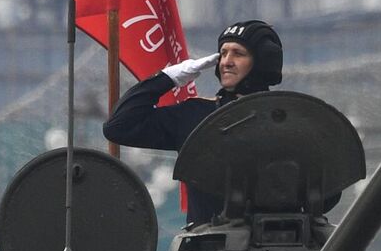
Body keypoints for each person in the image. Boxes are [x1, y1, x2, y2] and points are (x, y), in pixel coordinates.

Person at [101, 20, 285, 223]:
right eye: (223, 53)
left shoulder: (286, 118)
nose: (226, 62)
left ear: (262, 62)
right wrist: (167, 77)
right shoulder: (197, 115)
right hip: (206, 244)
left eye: (238, 54)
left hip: (278, 242)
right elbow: (119, 127)